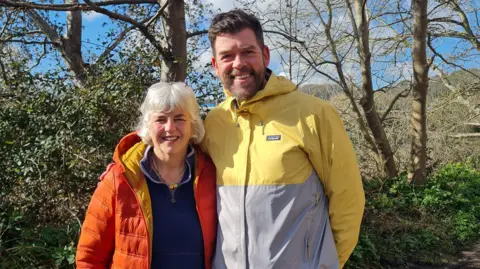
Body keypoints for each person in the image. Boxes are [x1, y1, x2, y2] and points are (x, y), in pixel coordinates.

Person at [201, 9, 365, 269]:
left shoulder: (314, 114)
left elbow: (348, 201)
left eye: (248, 52)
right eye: (227, 56)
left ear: (265, 55)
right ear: (215, 65)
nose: (238, 63)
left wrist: (324, 264)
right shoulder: (213, 123)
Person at [76, 82, 217, 269]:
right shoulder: (120, 179)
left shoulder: (212, 176)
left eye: (179, 119)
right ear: (147, 126)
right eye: (161, 119)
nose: (170, 128)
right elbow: (90, 257)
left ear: (193, 125)